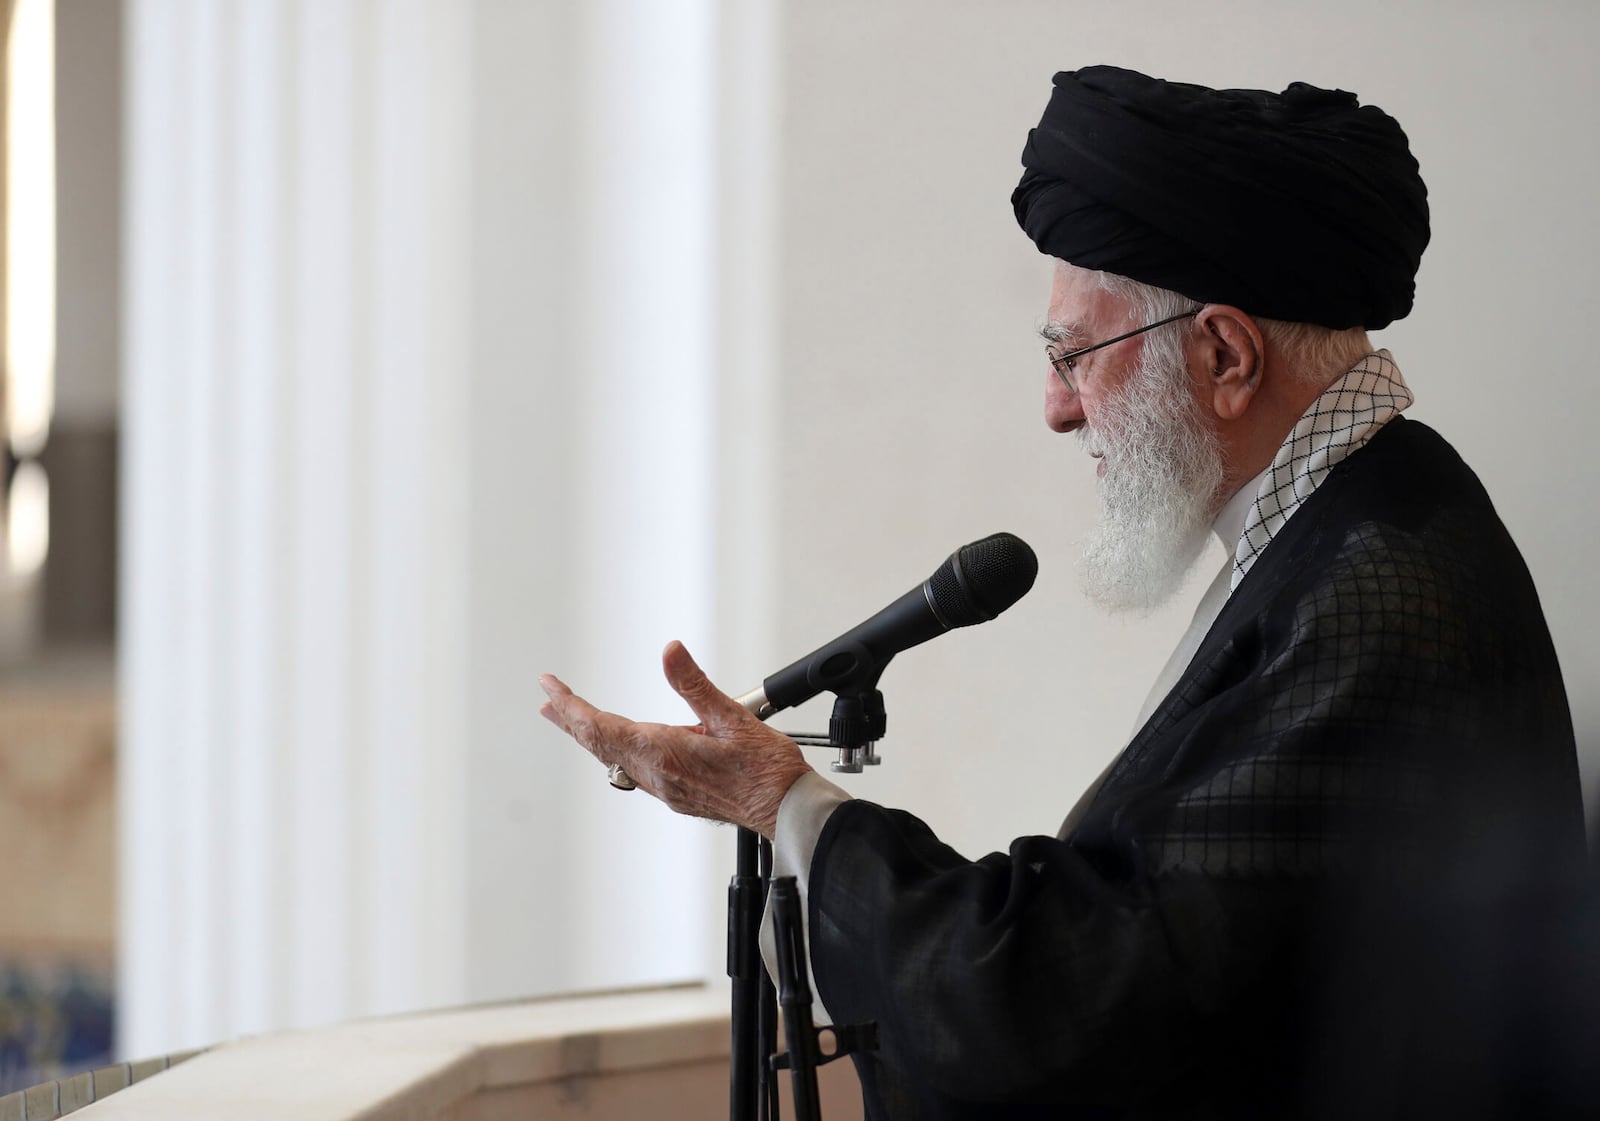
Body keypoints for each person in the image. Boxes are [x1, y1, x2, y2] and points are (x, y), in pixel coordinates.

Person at [539, 66, 1592, 1119]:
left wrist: (786, 805)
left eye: (1073, 354)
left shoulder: (1378, 589)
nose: (1055, 408)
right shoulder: (1355, 526)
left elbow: (1084, 1007)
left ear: (1224, 353)